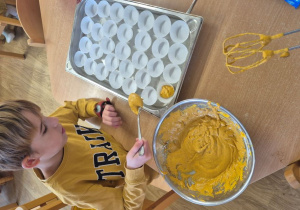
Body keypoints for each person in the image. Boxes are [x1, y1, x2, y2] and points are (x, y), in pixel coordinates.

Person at [0, 98, 154, 209]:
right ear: (32, 161)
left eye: (43, 116)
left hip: (124, 136)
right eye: (44, 129)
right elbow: (127, 207)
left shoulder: (55, 127)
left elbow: (73, 108)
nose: (54, 120)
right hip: (147, 166)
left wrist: (100, 109)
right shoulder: (69, 188)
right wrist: (134, 169)